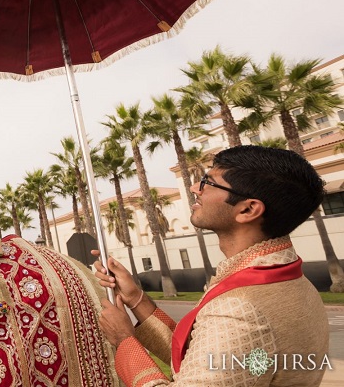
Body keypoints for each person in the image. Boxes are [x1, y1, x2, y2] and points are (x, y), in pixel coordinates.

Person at [95, 145, 330, 386]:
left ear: (248, 209)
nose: (194, 188)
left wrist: (124, 339)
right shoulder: (286, 280)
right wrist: (135, 298)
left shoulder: (241, 310)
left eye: (208, 182)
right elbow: (199, 360)